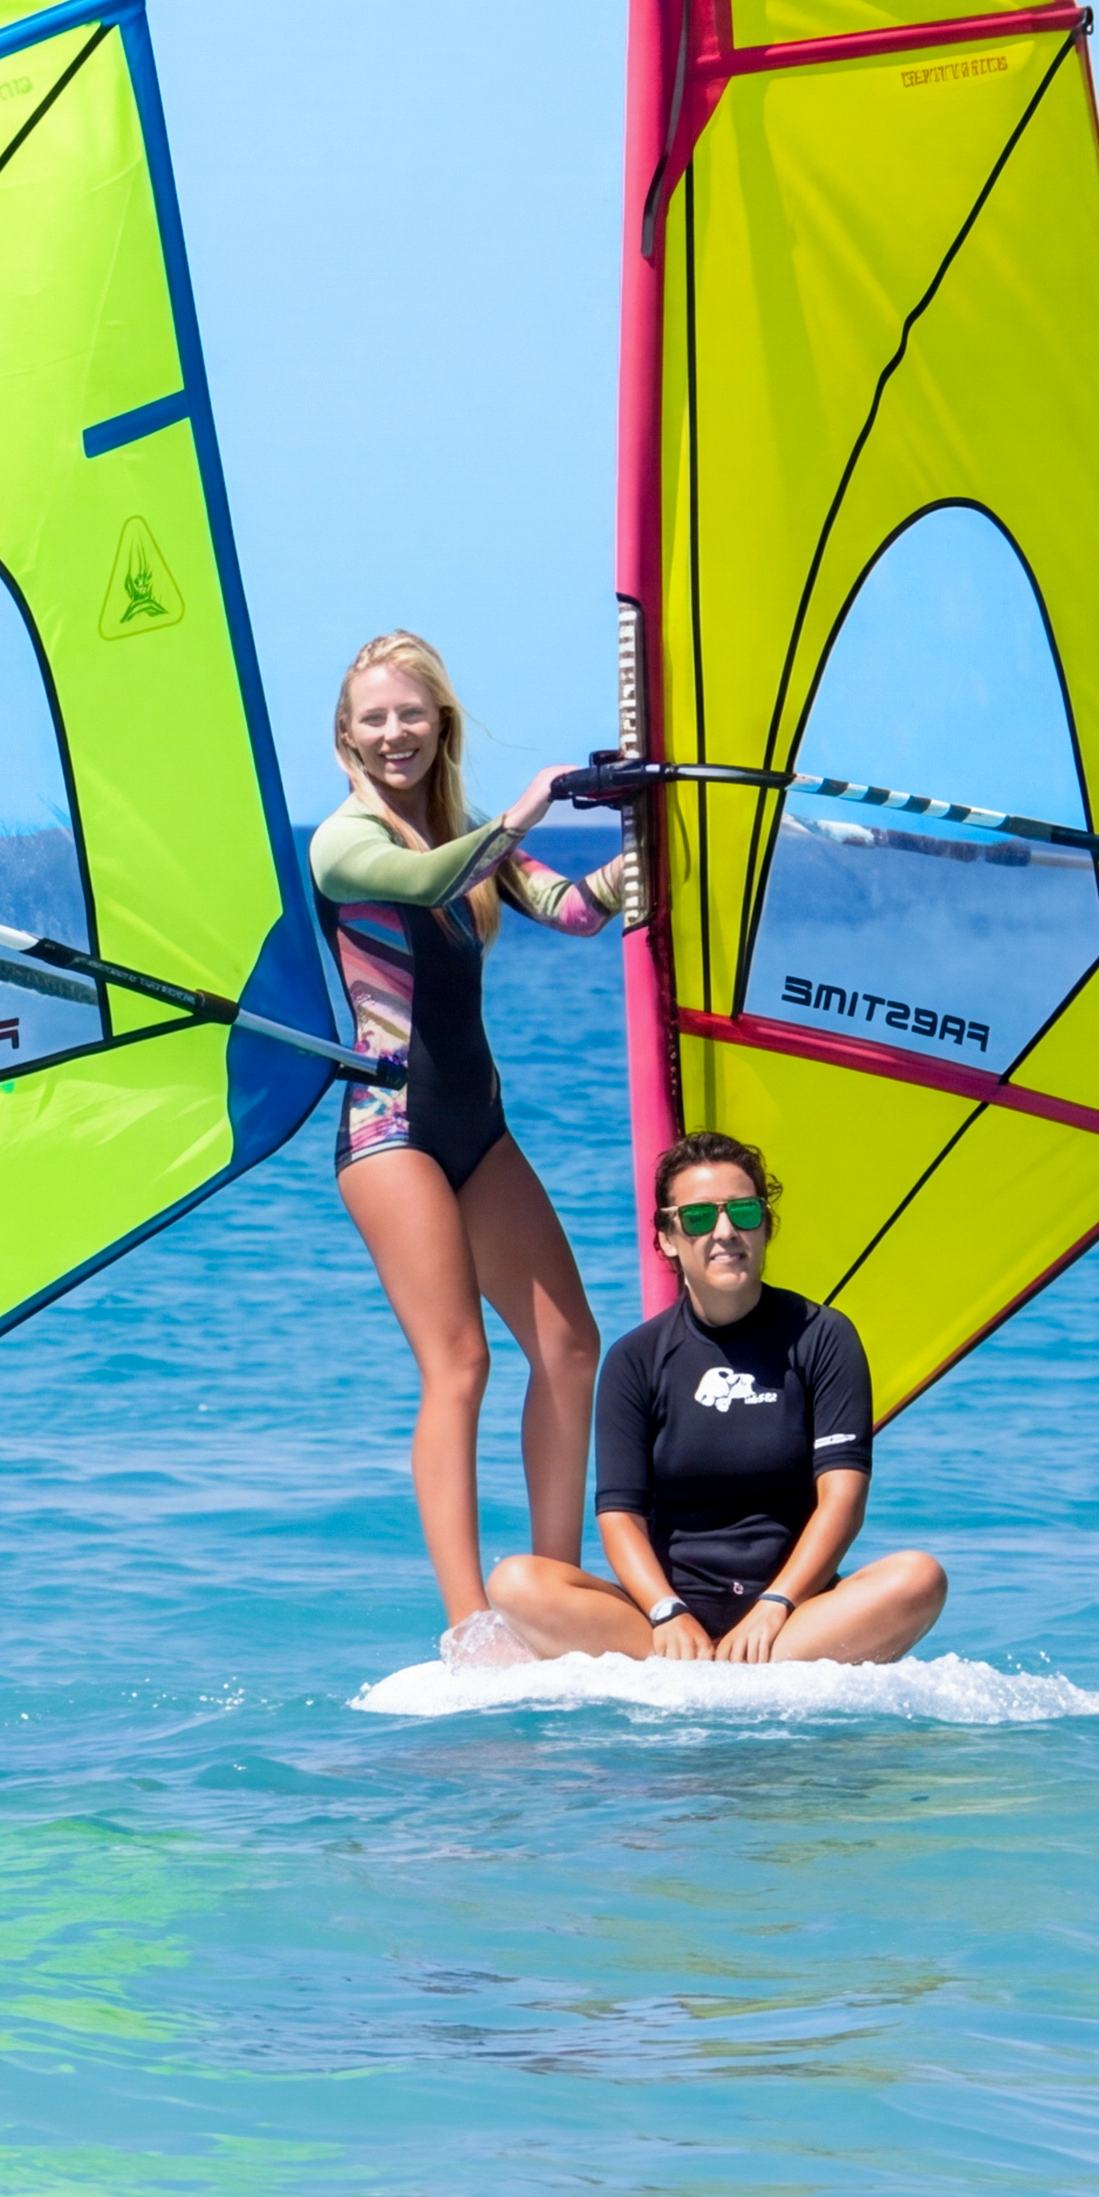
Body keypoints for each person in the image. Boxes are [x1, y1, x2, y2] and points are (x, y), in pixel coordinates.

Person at [313, 632, 631, 1635]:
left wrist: (647, 853)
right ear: (347, 735)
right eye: (375, 718)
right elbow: (428, 885)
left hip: (478, 1130)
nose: (395, 733)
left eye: (412, 713)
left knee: (572, 1346)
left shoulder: (470, 834)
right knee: (459, 1363)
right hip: (389, 1128)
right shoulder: (344, 842)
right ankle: (471, 1626)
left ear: (439, 722)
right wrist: (535, 804)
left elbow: (575, 910)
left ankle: (550, 1598)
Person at [486, 1131, 949, 1662]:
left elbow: (842, 1501)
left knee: (919, 1577)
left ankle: (747, 1665)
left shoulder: (823, 1336)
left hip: (792, 1618)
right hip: (664, 1625)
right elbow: (620, 1516)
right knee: (516, 1582)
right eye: (700, 1217)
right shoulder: (635, 1358)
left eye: (744, 1212)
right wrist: (666, 1610)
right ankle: (707, 1663)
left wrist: (776, 1604)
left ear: (766, 1225)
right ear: (666, 1236)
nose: (726, 1231)